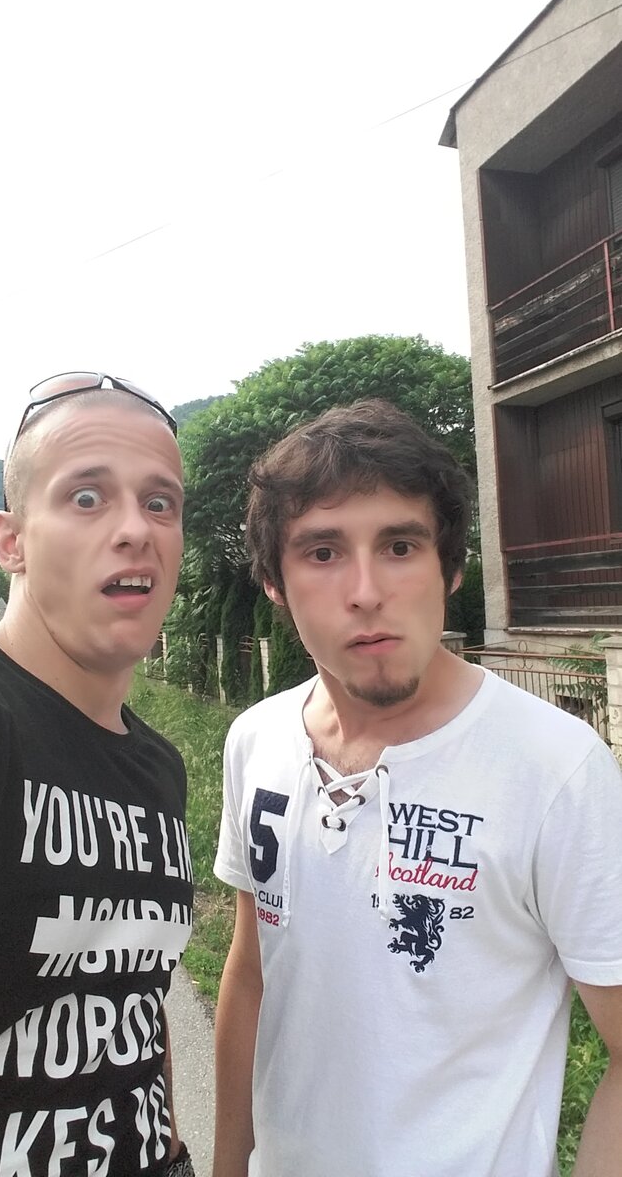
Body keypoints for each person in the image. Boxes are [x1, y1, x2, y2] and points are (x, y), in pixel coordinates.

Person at [213, 398, 622, 1177]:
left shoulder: (554, 768)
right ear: (273, 581)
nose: (366, 590)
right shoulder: (255, 741)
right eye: (322, 552)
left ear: (450, 567)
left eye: (399, 545)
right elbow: (251, 970)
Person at [0, 374, 195, 1176]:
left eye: (160, 503)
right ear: (10, 541)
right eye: (87, 498)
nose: (135, 529)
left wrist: (173, 1148)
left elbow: (133, 993)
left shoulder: (158, 767)